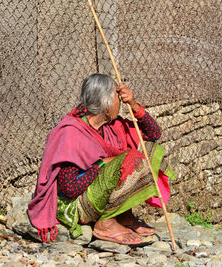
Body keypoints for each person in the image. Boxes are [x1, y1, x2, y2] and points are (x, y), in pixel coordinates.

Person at [28, 73, 174, 244]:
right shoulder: (72, 134)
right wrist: (101, 164)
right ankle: (105, 223)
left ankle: (124, 217)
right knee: (130, 159)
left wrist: (134, 105)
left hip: (98, 195)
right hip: (77, 204)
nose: (121, 102)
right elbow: (69, 189)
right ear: (107, 104)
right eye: (118, 98)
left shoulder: (112, 127)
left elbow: (153, 134)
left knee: (148, 152)